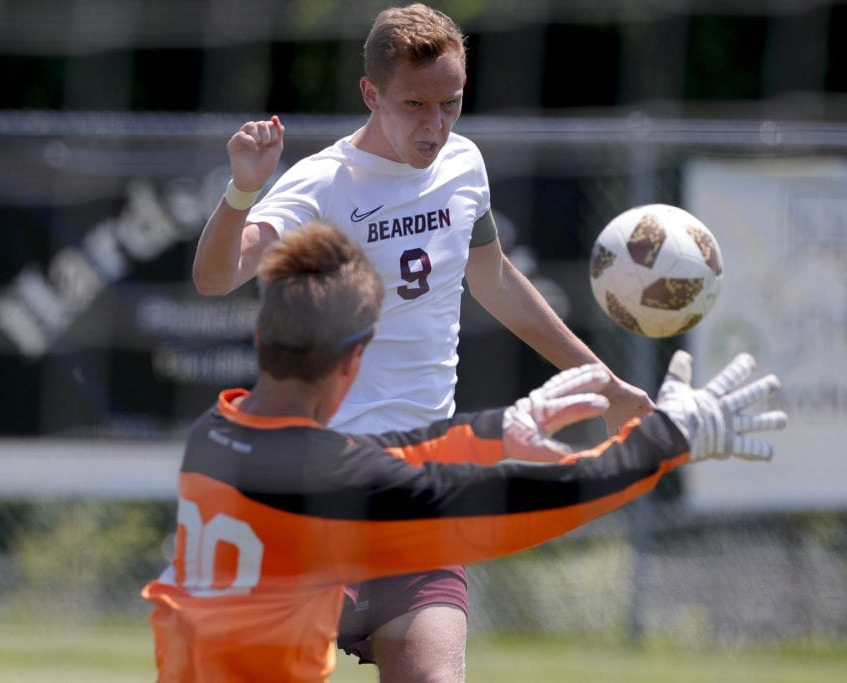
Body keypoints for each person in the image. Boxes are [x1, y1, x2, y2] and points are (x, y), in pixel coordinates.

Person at [191, 4, 656, 680]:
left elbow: (494, 281)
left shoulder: (464, 165)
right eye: (415, 104)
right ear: (371, 94)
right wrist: (241, 191)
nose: (435, 124)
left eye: (451, 103)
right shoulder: (323, 184)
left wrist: (603, 381)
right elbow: (214, 278)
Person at [144, 222, 786, 683]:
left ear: (260, 336)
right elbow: (526, 504)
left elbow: (377, 448)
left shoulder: (217, 433)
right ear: (355, 358)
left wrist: (497, 430)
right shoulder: (336, 481)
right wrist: (664, 440)